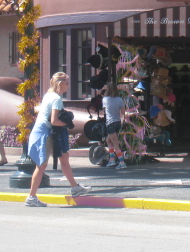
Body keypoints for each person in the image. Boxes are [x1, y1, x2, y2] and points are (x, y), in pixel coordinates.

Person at [25, 72, 91, 207]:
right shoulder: (56, 99)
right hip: (45, 133)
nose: (68, 86)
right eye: (66, 83)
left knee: (64, 158)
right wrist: (68, 124)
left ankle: (75, 188)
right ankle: (31, 197)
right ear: (60, 84)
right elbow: (54, 121)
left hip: (43, 132)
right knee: (42, 165)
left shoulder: (48, 95)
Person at [102, 83, 127, 169]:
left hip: (110, 123)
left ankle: (121, 162)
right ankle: (112, 159)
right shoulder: (120, 100)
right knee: (108, 140)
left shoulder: (105, 99)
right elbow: (123, 113)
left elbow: (105, 111)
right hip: (118, 122)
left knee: (115, 143)